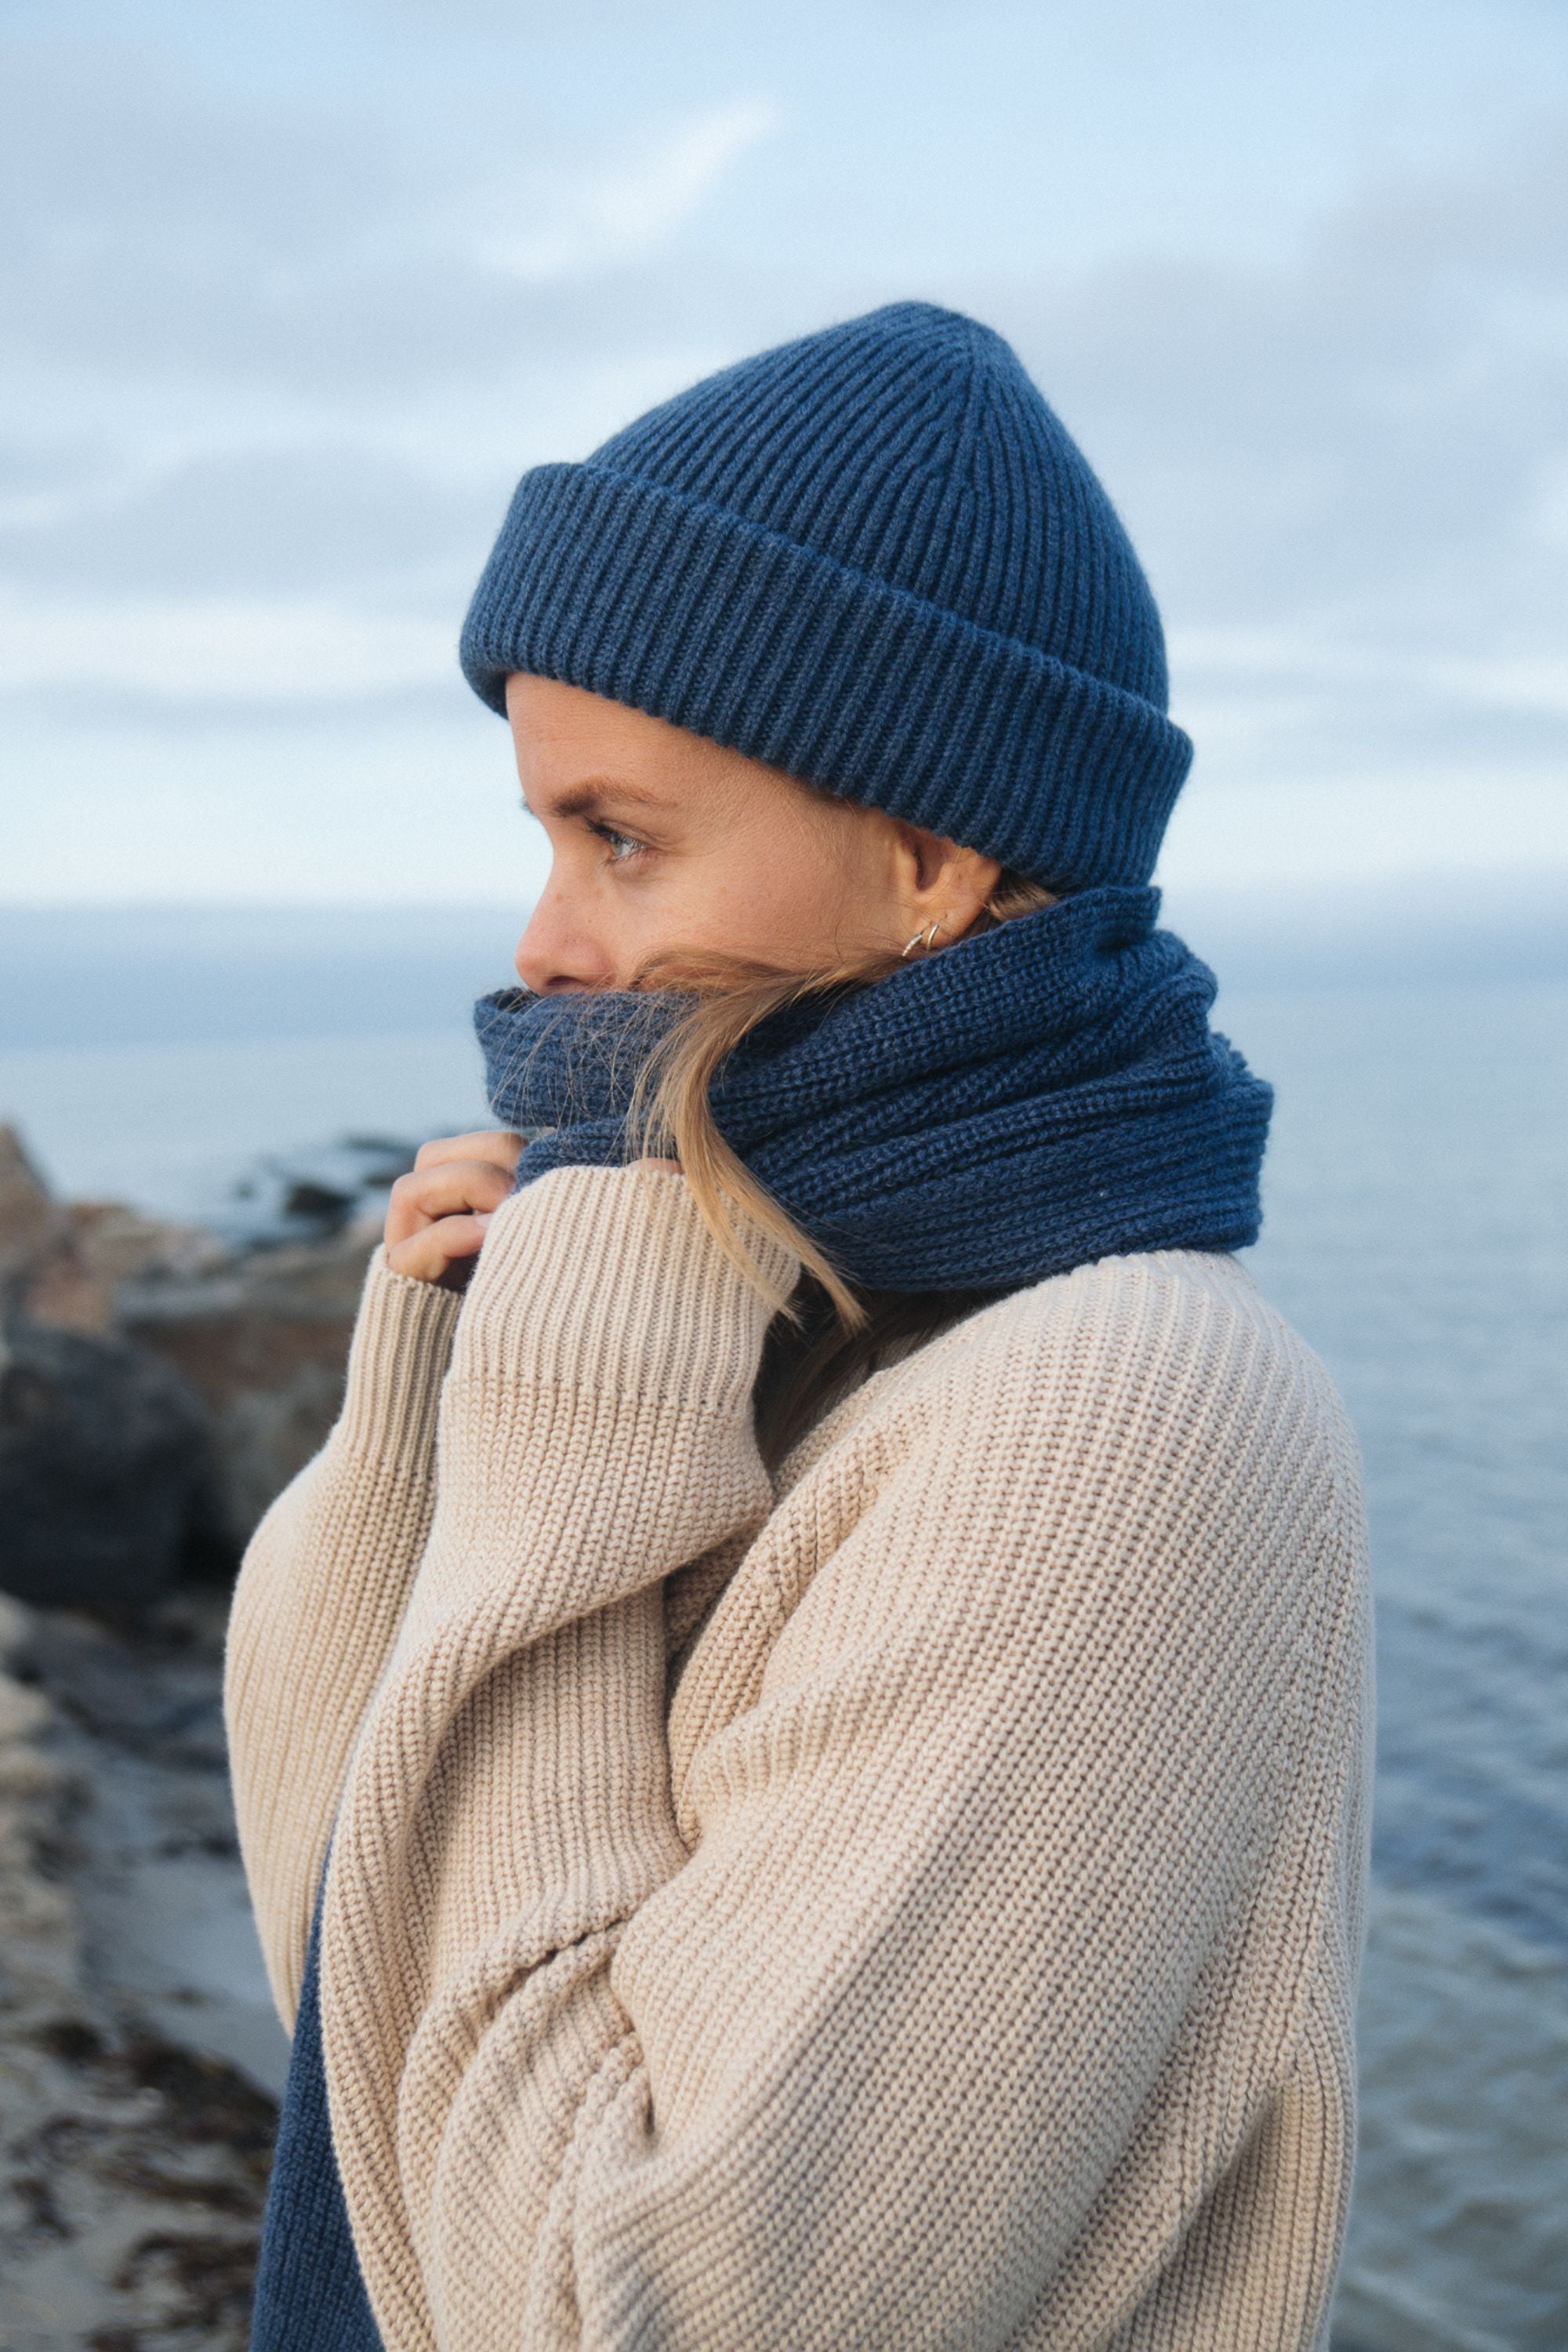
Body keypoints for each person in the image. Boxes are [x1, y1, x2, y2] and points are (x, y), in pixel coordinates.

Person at [228, 302, 1371, 2351]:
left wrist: (572, 1418)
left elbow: (610, 2310)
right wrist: (428, 1412)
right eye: (543, 836)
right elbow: (357, 1990)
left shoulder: (1118, 1416)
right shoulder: (752, 1310)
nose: (542, 946)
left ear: (927, 859)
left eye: (622, 838)